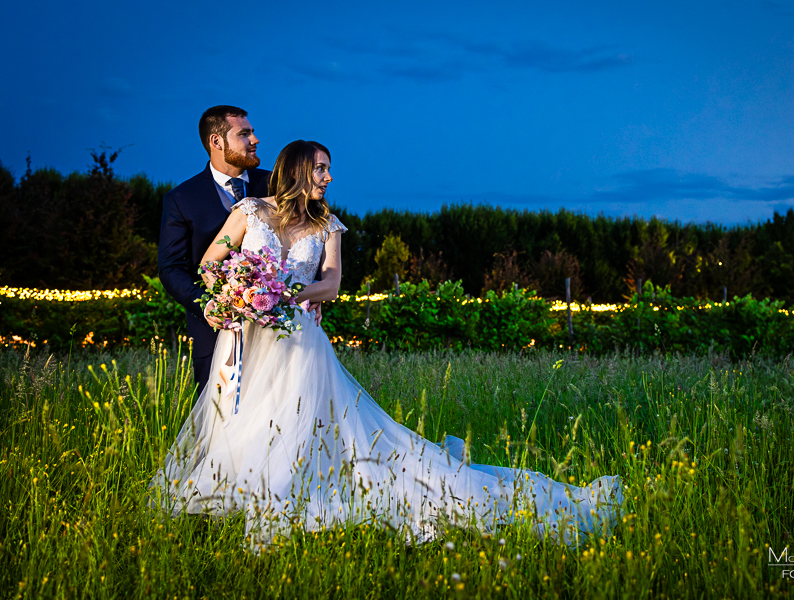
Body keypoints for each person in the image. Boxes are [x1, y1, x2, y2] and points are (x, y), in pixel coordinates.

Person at [152, 140, 622, 546]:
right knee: (243, 418)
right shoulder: (249, 212)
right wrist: (237, 292)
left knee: (296, 423)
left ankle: (288, 496)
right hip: (247, 337)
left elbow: (331, 283)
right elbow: (211, 261)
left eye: (328, 169)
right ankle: (236, 494)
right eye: (321, 168)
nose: (328, 177)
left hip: (299, 342)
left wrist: (282, 293)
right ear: (297, 171)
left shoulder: (326, 226)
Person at [157, 105, 321, 393]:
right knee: (222, 428)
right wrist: (208, 304)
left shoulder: (278, 185)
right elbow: (171, 268)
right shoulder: (182, 199)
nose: (255, 140)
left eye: (253, 133)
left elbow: (309, 234)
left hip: (282, 335)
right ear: (216, 142)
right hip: (217, 333)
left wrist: (311, 288)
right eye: (244, 134)